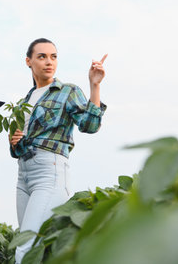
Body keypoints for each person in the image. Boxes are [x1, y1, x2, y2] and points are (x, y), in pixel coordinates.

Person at [9, 38, 107, 263]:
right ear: (28, 61)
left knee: (24, 248)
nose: (48, 62)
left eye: (53, 57)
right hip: (23, 175)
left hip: (49, 172)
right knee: (32, 246)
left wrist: (95, 85)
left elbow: (89, 126)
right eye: (42, 57)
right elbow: (16, 149)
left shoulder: (67, 91)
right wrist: (14, 142)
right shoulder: (25, 100)